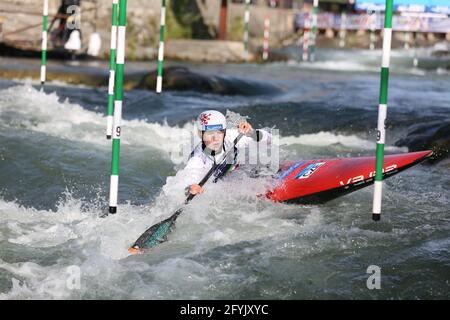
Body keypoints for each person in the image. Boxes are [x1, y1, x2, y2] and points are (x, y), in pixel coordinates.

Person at [162, 110, 272, 199]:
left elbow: (269, 140)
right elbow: (183, 181)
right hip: (223, 181)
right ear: (201, 134)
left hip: (240, 169)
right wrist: (190, 188)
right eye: (210, 133)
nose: (215, 138)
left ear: (224, 132)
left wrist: (251, 133)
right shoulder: (199, 158)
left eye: (219, 132)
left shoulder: (233, 137)